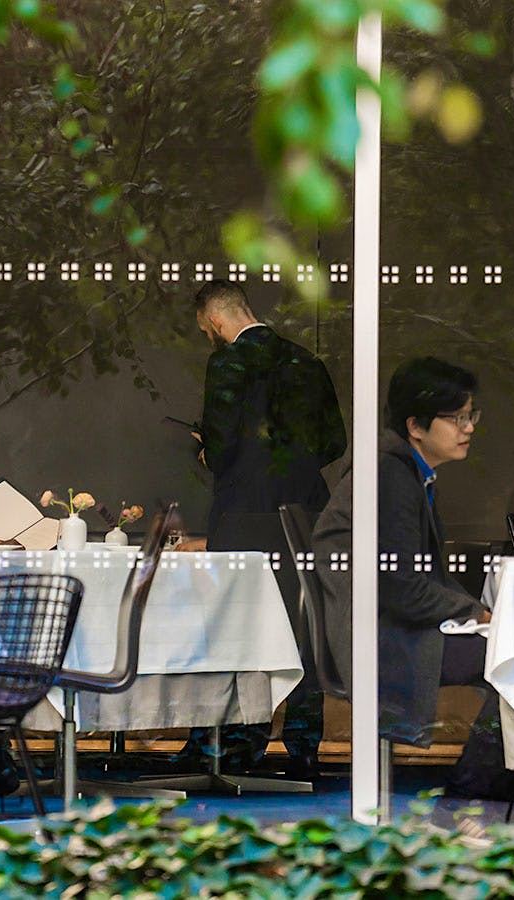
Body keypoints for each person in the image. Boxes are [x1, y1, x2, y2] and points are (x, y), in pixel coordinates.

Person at [311, 357, 514, 812]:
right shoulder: (390, 476)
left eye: (471, 415)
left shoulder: (406, 471)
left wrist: (477, 614)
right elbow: (401, 586)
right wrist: (477, 614)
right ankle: (470, 797)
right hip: (381, 636)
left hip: (391, 624)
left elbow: (417, 579)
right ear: (415, 425)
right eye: (457, 418)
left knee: (512, 654)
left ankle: (474, 792)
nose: (469, 428)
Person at [182, 280, 346, 774]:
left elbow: (222, 446)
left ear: (215, 322)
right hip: (304, 511)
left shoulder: (228, 363)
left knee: (235, 625)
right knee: (303, 623)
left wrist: (207, 451)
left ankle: (233, 743)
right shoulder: (307, 362)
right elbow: (334, 443)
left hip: (244, 513)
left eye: (205, 330)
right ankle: (304, 744)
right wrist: (292, 464)